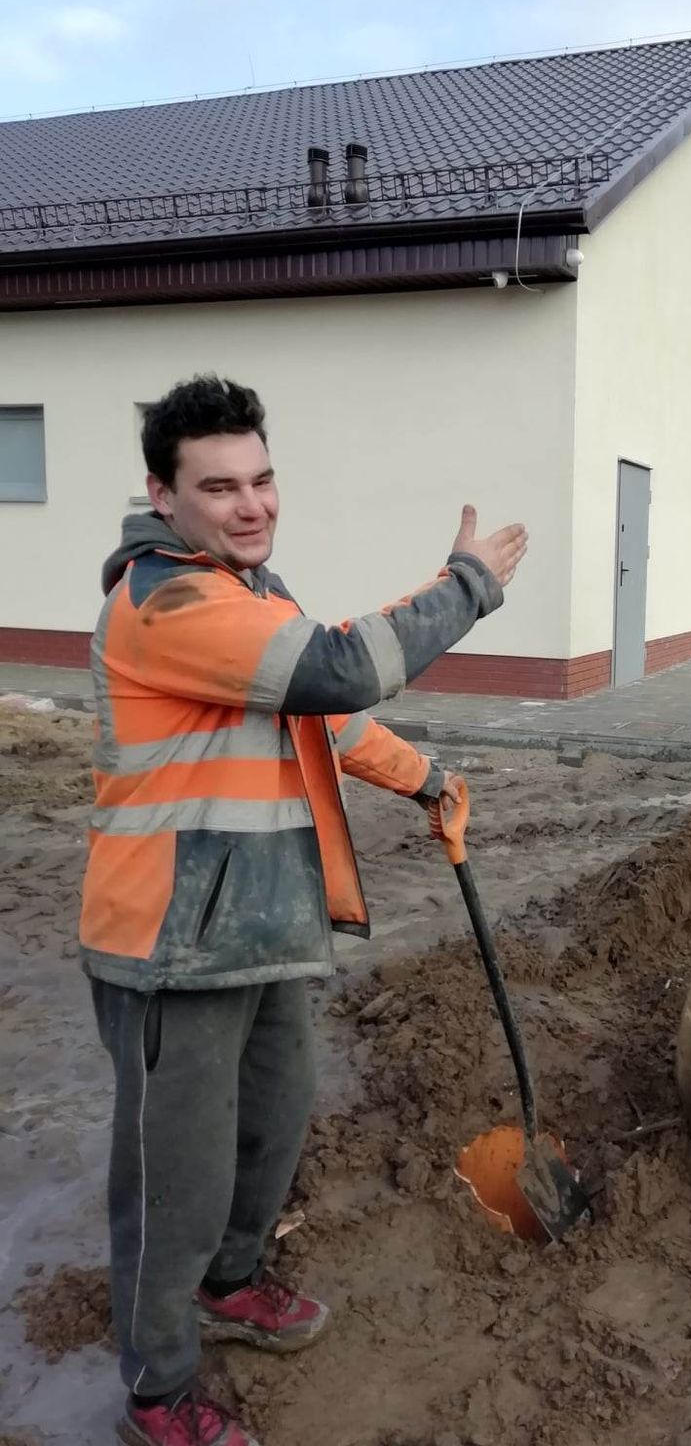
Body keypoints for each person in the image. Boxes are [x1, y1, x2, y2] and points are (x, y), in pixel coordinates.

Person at [80, 374, 528, 1446]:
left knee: (272, 1128)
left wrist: (425, 776)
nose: (251, 503)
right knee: (172, 1180)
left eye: (263, 478)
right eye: (220, 485)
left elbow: (322, 720)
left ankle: (232, 1282)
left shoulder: (249, 592)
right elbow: (332, 669)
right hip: (168, 947)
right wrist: (464, 585)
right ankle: (157, 1385)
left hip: (260, 930)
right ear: (162, 492)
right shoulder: (167, 599)